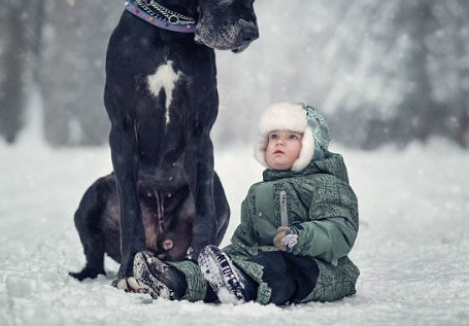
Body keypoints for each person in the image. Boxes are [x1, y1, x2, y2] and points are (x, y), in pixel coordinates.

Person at [131, 102, 360, 305]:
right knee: (235, 263)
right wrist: (227, 259)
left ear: (312, 145)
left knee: (280, 268)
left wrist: (301, 236)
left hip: (320, 269)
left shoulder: (327, 184)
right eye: (273, 136)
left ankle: (241, 283)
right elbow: (245, 242)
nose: (279, 141)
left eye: (291, 136)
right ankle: (176, 279)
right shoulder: (258, 192)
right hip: (263, 261)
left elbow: (340, 231)